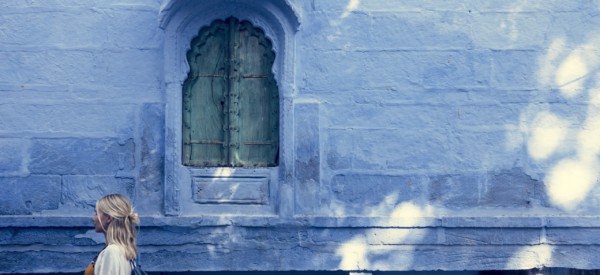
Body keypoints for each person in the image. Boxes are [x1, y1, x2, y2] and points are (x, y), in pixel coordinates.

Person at [85, 194, 140, 275]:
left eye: (96, 213)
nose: (93, 218)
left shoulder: (111, 251)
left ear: (109, 218)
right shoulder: (125, 250)